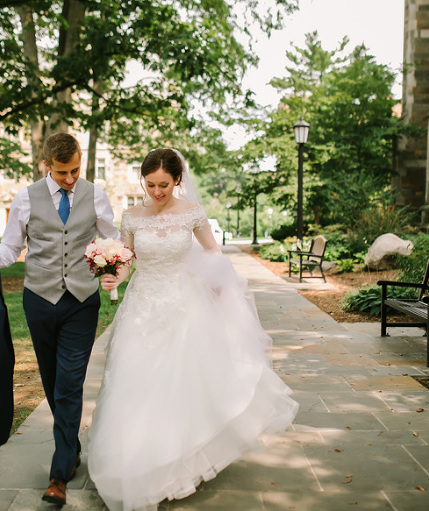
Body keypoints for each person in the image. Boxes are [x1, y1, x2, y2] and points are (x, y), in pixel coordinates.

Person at [87, 148, 299, 511]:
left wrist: (219, 291)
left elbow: (213, 254)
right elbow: (127, 260)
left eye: (164, 185)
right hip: (142, 307)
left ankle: (176, 464)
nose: (156, 191)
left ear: (177, 180)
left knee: (180, 385)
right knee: (135, 382)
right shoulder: (132, 217)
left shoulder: (192, 214)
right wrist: (113, 278)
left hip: (184, 305)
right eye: (150, 184)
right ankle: (137, 462)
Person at [0, 132, 119, 506]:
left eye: (75, 171)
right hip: (39, 300)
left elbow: (111, 240)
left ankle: (58, 475)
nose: (71, 179)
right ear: (46, 166)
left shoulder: (95, 195)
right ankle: (70, 450)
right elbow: (11, 245)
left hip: (81, 302)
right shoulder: (25, 197)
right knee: (53, 382)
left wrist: (111, 267)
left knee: (69, 384)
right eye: (62, 173)